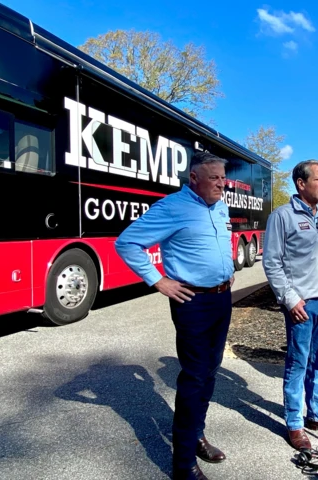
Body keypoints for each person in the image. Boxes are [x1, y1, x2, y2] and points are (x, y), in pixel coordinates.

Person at [115, 151, 235, 480]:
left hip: (221, 300)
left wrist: (228, 270)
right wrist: (158, 280)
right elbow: (127, 243)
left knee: (210, 373)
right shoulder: (172, 207)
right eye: (214, 178)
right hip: (192, 301)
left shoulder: (220, 206)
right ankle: (182, 463)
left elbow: (221, 243)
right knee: (195, 378)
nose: (221, 184)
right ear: (193, 178)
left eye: (223, 178)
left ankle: (196, 434)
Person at [262, 160, 318, 451]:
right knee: (298, 364)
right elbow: (272, 263)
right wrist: (289, 299)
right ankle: (295, 424)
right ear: (301, 183)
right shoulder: (282, 217)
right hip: (300, 305)